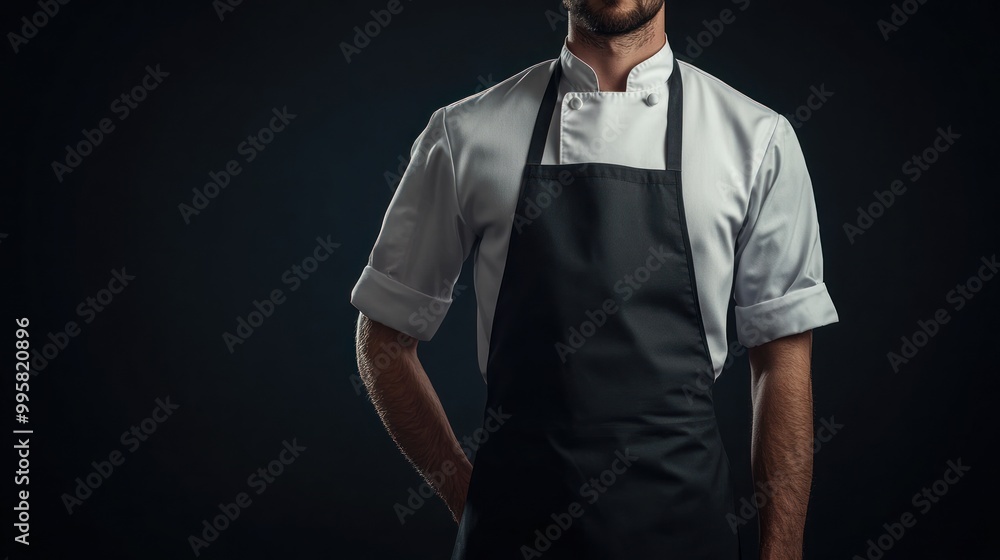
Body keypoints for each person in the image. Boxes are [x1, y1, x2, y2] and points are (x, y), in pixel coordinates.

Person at [351, 1, 839, 558]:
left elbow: (782, 361)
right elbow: (383, 340)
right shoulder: (466, 133)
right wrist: (469, 498)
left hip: (686, 531)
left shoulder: (758, 140)